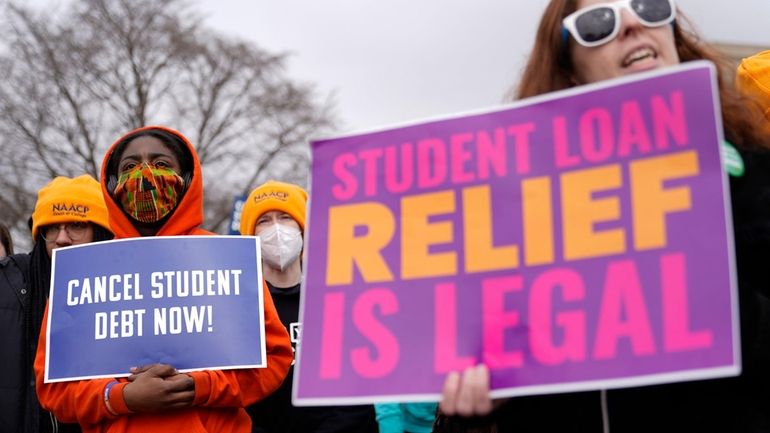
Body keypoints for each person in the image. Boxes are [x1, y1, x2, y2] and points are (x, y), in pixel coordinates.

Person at [439, 1, 770, 432]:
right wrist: (475, 414)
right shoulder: (514, 223)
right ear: (571, 71)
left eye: (649, 7)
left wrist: (713, 296)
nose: (632, 23)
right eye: (598, 24)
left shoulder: (756, 179)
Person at [34, 126, 293, 432]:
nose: (144, 175)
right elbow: (53, 388)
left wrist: (201, 386)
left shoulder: (224, 259)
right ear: (114, 183)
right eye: (130, 167)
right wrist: (121, 397)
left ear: (185, 178)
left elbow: (274, 358)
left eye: (161, 164)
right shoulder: (84, 269)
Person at [239, 180, 379, 433]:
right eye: (264, 221)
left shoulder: (338, 300)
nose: (276, 229)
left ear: (304, 229)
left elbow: (357, 392)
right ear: (250, 234)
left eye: (285, 217)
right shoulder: (238, 306)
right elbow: (232, 393)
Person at [1, 175, 113, 433]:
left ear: (101, 232)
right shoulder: (6, 281)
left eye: (76, 225)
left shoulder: (125, 288)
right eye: (52, 227)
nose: (62, 239)